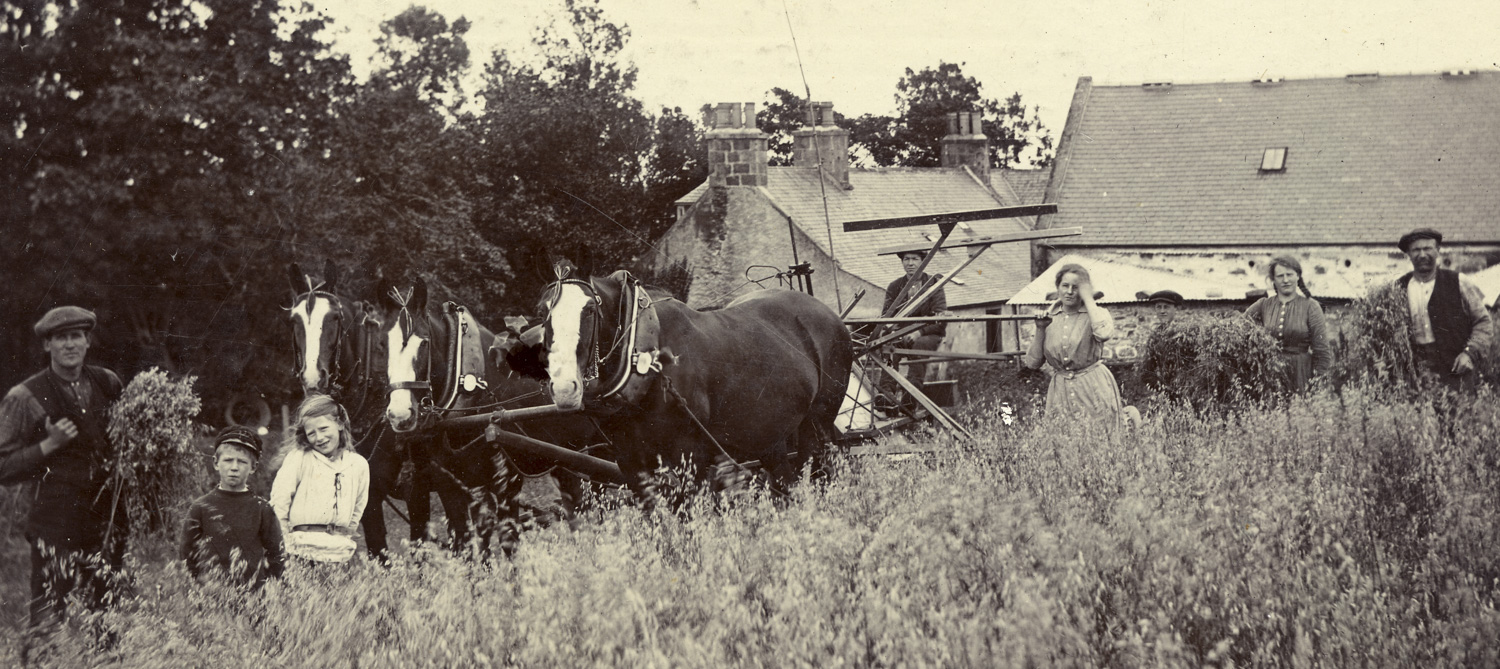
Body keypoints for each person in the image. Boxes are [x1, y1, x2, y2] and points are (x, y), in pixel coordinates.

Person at [0, 306, 128, 647]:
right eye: (60, 338)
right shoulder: (24, 397)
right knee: (47, 618)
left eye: (76, 336)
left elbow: (128, 442)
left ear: (87, 342)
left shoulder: (109, 382)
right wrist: (49, 445)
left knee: (107, 618)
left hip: (105, 522)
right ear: (47, 346)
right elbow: (4, 467)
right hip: (55, 523)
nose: (69, 344)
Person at [1022, 264, 1132, 430]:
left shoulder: (1097, 313)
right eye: (1065, 285)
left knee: (1099, 438)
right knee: (1065, 442)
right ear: (1058, 287)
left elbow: (1104, 333)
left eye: (1076, 287)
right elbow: (1032, 363)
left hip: (1093, 387)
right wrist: (1040, 328)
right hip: (1060, 391)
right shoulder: (1047, 318)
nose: (1070, 291)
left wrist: (1088, 299)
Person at [180, 426, 286, 589]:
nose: (234, 467)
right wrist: (197, 587)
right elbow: (187, 555)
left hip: (254, 596)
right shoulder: (200, 508)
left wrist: (269, 589)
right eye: (228, 460)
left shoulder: (261, 509)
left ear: (253, 467)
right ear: (216, 463)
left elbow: (276, 555)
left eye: (242, 461)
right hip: (212, 595)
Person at [270, 395, 369, 565]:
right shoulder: (299, 458)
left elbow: (358, 507)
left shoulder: (358, 464)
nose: (319, 438)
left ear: (339, 424)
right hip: (301, 548)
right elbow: (280, 501)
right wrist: (284, 541)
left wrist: (345, 535)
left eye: (323, 429)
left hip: (339, 551)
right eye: (311, 433)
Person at [1396, 228, 1492, 394]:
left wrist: (1470, 354)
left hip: (1455, 370)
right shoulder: (1398, 289)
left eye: (1428, 248)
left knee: (1457, 417)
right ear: (1408, 255)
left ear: (1438, 251)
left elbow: (1483, 322)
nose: (1422, 254)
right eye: (1416, 250)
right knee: (1419, 417)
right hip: (1415, 374)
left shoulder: (1459, 282)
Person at [1243, 256, 1333, 393]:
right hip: (1270, 375)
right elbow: (1238, 326)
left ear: (1298, 276)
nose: (1285, 280)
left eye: (1289, 275)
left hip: (1301, 375)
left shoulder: (1311, 307)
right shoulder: (1263, 305)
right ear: (1273, 279)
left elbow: (1322, 352)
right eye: (1280, 276)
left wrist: (1318, 384)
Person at [879, 250, 949, 409]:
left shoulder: (934, 284)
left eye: (915, 259)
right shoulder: (895, 286)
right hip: (902, 334)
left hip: (928, 333)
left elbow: (941, 318)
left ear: (923, 261)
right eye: (906, 259)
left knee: (919, 347)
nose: (910, 263)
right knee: (889, 346)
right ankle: (886, 394)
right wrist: (891, 329)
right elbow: (886, 315)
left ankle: (911, 395)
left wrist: (919, 332)